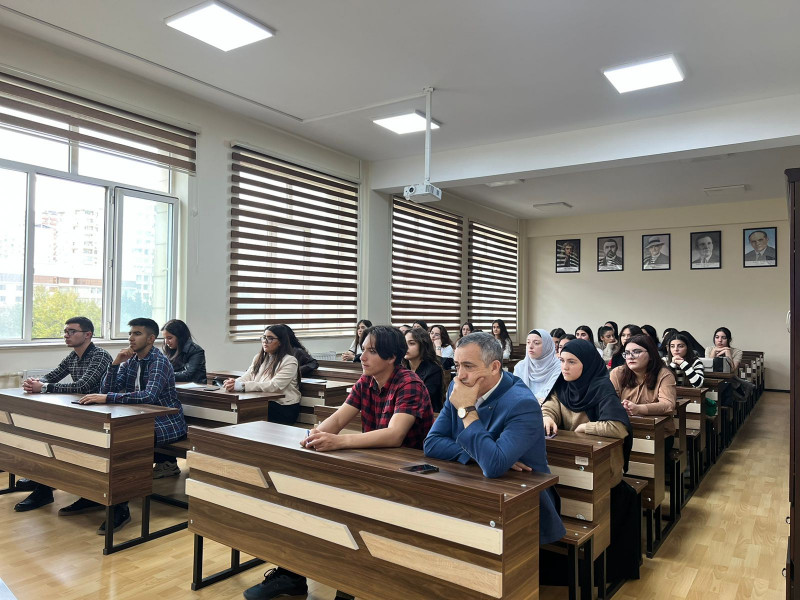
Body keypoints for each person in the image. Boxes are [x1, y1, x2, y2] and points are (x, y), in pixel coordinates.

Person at [244, 326, 433, 600]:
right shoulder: (366, 381)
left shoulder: (409, 383)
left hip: (406, 479)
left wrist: (340, 442)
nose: (363, 357)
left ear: (392, 357)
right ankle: (291, 574)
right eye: (363, 349)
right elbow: (338, 419)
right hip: (372, 466)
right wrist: (316, 435)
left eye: (371, 351)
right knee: (300, 500)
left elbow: (395, 435)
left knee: (348, 517)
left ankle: (347, 589)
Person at [423, 332, 565, 544]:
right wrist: (475, 455)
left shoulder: (522, 403)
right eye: (457, 365)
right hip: (473, 488)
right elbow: (432, 443)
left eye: (468, 366)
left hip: (524, 506)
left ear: (495, 367)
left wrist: (466, 409)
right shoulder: (457, 387)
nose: (459, 375)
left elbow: (493, 465)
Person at [79, 318, 187, 534]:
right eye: (130, 333)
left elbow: (149, 396)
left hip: (166, 423)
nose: (131, 338)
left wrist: (107, 397)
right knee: (96, 440)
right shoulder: (130, 362)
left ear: (150, 338)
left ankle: (121, 508)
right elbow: (107, 389)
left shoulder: (160, 362)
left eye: (137, 333)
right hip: (137, 420)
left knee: (122, 448)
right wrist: (115, 364)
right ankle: (93, 495)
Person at [541, 338, 636, 583]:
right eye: (562, 361)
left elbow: (618, 428)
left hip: (602, 468)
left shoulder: (602, 387)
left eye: (572, 362)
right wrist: (547, 417)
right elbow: (550, 405)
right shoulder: (563, 384)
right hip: (569, 465)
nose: (565, 367)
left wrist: (586, 427)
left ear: (587, 364)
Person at [15, 317, 113, 513]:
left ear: (87, 335)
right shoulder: (72, 356)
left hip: (104, 414)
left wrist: (43, 388)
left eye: (72, 331)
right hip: (81, 409)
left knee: (58, 438)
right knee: (45, 434)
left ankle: (51, 486)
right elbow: (53, 375)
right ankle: (43, 485)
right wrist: (36, 382)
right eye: (65, 331)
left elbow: (83, 386)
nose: (66, 335)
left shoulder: (99, 355)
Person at [223, 325, 302, 425]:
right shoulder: (259, 358)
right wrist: (235, 382)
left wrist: (243, 386)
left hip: (283, 407)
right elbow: (248, 376)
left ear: (281, 342)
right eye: (264, 337)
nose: (265, 341)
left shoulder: (290, 361)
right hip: (263, 401)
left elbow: (275, 386)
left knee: (246, 411)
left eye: (270, 338)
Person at [609, 334, 677, 443]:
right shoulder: (617, 373)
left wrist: (638, 409)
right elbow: (610, 400)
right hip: (624, 429)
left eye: (636, 352)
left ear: (650, 355)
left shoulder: (664, 374)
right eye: (626, 353)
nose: (630, 356)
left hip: (658, 432)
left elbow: (668, 405)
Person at [513, 329, 562, 405]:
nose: (530, 346)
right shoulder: (520, 366)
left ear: (547, 346)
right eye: (528, 342)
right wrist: (534, 399)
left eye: (536, 343)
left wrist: (526, 398)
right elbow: (515, 392)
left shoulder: (558, 367)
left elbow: (550, 395)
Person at [403, 327, 444, 412]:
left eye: (411, 343)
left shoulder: (433, 369)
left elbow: (423, 399)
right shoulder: (402, 368)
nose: (406, 347)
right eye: (404, 343)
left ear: (423, 345)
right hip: (405, 411)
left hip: (428, 415)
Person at [161, 319, 206, 383]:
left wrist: (164, 375)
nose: (166, 342)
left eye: (169, 338)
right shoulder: (169, 350)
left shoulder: (196, 351)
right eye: (164, 338)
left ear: (180, 337)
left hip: (195, 390)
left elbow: (188, 375)